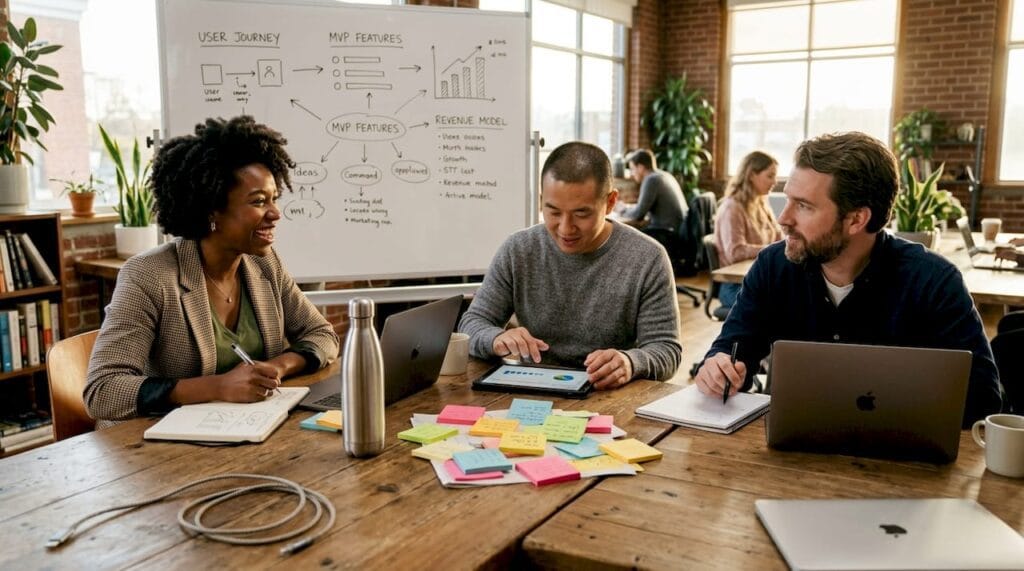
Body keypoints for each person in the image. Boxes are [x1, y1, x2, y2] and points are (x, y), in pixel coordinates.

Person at [694, 132, 1003, 427]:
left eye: (804, 206)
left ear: (856, 219)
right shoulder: (773, 267)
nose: (783, 218)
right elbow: (732, 349)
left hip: (903, 463)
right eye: (787, 199)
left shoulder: (933, 281)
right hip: (791, 458)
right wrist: (717, 368)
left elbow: (983, 398)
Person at [84, 116, 340, 426]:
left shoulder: (264, 263)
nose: (275, 213)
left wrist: (279, 366)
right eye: (259, 201)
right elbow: (103, 391)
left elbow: (323, 335)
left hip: (250, 431)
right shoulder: (148, 276)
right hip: (158, 449)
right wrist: (216, 387)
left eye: (274, 199)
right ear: (211, 210)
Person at [459, 141, 682, 389]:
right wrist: (496, 337)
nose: (565, 228)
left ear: (610, 202)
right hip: (531, 391)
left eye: (581, 214)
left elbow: (666, 349)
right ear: (542, 199)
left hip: (608, 396)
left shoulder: (647, 257)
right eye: (553, 212)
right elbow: (472, 324)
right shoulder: (518, 249)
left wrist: (631, 362)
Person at [714, 151, 782, 308]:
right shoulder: (732, 208)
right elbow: (735, 252)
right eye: (770, 176)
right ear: (752, 175)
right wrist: (771, 250)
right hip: (736, 287)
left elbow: (779, 239)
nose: (775, 181)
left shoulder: (761, 203)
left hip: (761, 279)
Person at [619, 149, 688, 258]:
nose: (632, 174)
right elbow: (643, 207)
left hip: (667, 234)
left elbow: (638, 214)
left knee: (626, 237)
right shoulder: (664, 175)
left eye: (632, 169)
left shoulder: (652, 180)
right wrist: (628, 208)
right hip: (676, 230)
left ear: (640, 168)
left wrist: (622, 210)